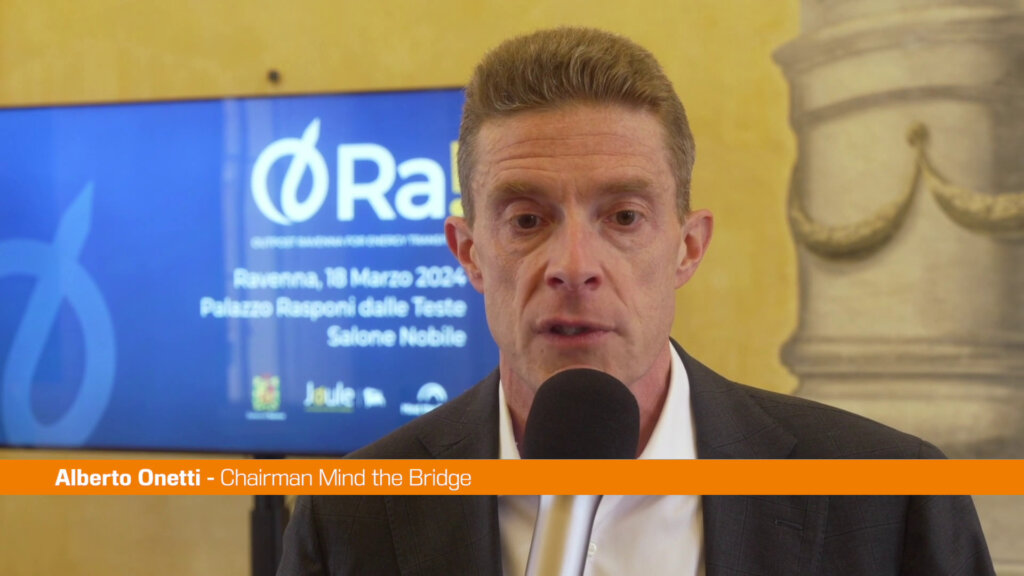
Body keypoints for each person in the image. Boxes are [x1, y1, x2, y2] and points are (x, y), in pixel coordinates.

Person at [278, 27, 993, 575]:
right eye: (526, 220)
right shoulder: (347, 514)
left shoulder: (893, 498)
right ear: (469, 253)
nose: (574, 266)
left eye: (623, 216)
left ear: (688, 247)